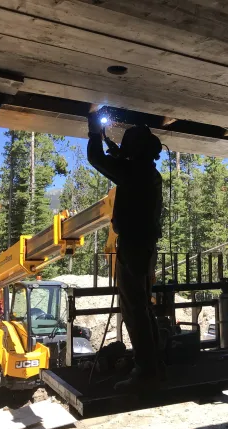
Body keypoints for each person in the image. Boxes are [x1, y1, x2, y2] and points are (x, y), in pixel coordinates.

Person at [87, 112, 163, 392]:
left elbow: (96, 160)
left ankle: (145, 371)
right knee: (142, 307)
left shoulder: (134, 173)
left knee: (133, 309)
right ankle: (153, 364)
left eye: (128, 144)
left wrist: (95, 133)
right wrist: (116, 150)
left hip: (133, 246)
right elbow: (125, 166)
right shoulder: (147, 172)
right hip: (144, 246)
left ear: (137, 149)